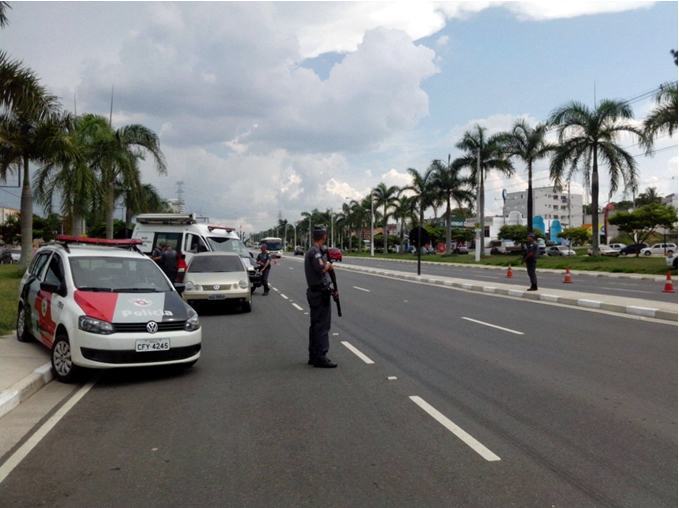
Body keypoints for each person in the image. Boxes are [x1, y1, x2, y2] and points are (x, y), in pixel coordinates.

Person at [304, 228, 337, 368]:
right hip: (319, 293)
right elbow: (321, 269)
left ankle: (313, 355)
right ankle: (321, 356)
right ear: (323, 237)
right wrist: (329, 265)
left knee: (315, 325)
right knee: (322, 326)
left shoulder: (314, 251)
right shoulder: (315, 252)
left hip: (316, 292)